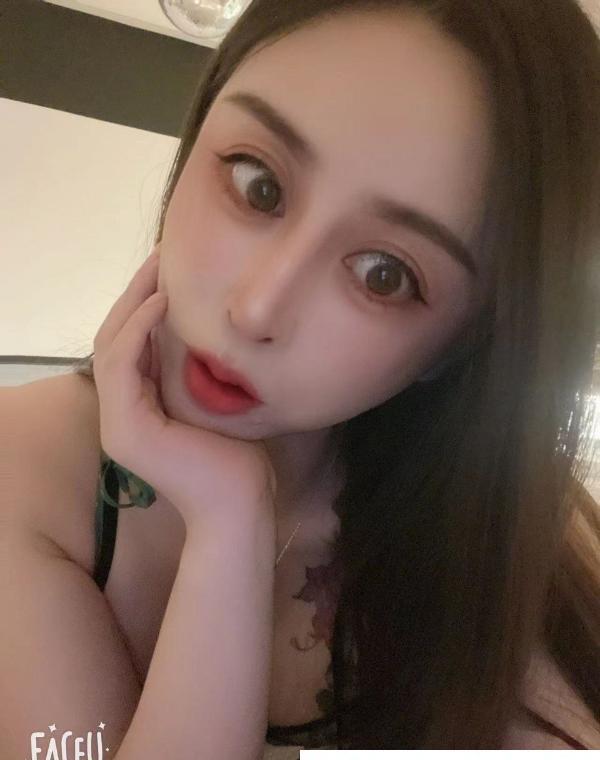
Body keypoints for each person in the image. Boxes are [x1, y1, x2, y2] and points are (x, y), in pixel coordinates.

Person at [2, 0, 599, 757]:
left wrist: (232, 517)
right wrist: (229, 527)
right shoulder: (22, 464)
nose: (257, 309)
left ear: (456, 349)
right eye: (258, 185)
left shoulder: (509, 533)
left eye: (383, 274)